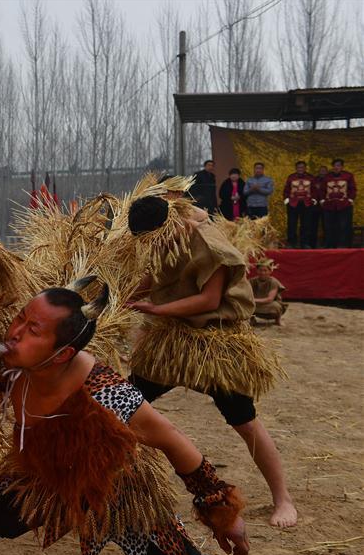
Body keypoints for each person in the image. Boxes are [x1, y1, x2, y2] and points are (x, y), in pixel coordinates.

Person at [0, 285, 276, 555]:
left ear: (63, 354)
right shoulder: (11, 358)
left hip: (115, 493)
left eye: (33, 330)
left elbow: (173, 439)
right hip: (43, 480)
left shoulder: (104, 393)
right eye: (20, 318)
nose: (16, 332)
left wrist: (223, 513)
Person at [125, 195, 297, 529]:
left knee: (245, 422)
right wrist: (127, 296)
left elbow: (209, 299)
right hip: (172, 338)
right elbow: (155, 274)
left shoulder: (208, 243)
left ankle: (283, 498)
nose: (154, 244)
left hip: (217, 341)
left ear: (170, 224)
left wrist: (155, 309)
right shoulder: (162, 234)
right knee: (125, 405)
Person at [321, 158, 357, 249]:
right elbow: (322, 189)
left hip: (344, 205)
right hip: (329, 205)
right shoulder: (327, 177)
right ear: (332, 167)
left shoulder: (348, 176)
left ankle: (343, 245)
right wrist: (322, 200)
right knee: (329, 226)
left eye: (338, 165)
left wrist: (350, 199)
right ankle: (330, 245)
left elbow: (353, 189)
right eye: (335, 166)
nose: (336, 167)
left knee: (344, 226)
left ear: (342, 166)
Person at [282, 161, 315, 248]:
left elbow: (314, 189)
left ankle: (305, 243)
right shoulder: (291, 177)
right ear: (296, 168)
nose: (300, 169)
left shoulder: (310, 177)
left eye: (302, 167)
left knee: (306, 224)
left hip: (307, 203)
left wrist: (314, 198)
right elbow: (287, 189)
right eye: (299, 167)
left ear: (305, 168)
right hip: (293, 203)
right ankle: (292, 243)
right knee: (292, 224)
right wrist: (286, 198)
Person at [250, 258, 287, 326]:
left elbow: (269, 299)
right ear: (257, 271)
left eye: (265, 270)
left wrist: (253, 300)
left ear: (270, 271)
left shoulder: (273, 282)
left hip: (268, 304)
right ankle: (252, 319)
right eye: (260, 270)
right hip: (255, 304)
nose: (263, 273)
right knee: (245, 305)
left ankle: (278, 319)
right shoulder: (252, 281)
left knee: (275, 307)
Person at [307, 165, 329, 248]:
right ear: (318, 171)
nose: (323, 171)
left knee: (327, 226)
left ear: (327, 171)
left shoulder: (330, 179)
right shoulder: (314, 180)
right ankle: (312, 244)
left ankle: (326, 244)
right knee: (313, 226)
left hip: (327, 206)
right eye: (321, 170)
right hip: (315, 206)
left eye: (324, 170)